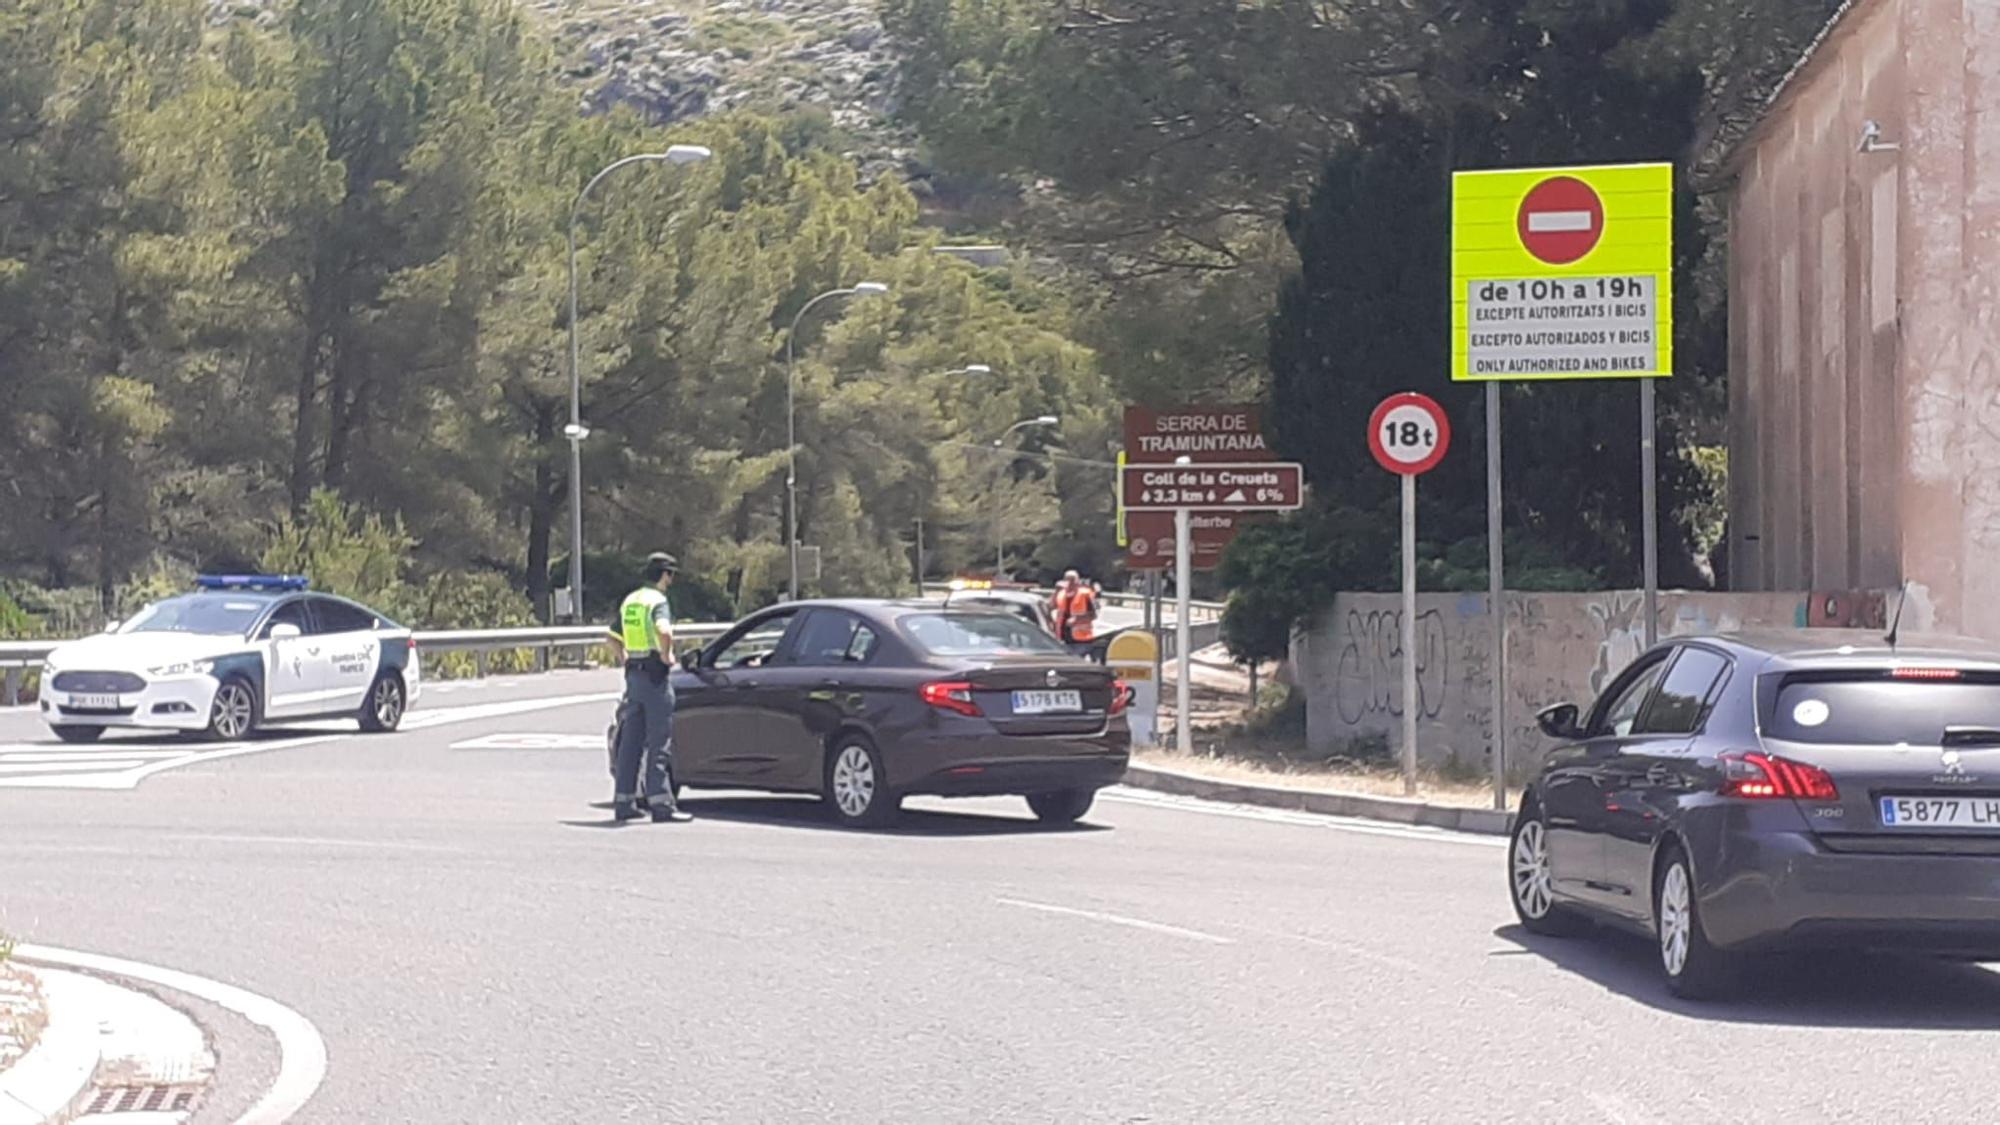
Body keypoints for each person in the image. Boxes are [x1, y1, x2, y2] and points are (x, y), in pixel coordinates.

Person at [610, 552, 690, 824]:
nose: (671, 580)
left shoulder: (631, 600)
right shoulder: (658, 601)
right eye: (671, 575)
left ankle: (623, 802)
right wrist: (667, 655)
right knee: (659, 742)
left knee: (630, 742)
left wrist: (626, 660)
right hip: (655, 678)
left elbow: (611, 638)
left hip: (634, 676)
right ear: (665, 575)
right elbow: (664, 631)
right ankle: (662, 804)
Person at [1053, 568, 1099, 659]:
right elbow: (1052, 607)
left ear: (1078, 581)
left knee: (1075, 662)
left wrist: (1077, 619)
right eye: (1067, 579)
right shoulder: (1061, 594)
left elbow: (1094, 614)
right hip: (1063, 639)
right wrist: (1055, 592)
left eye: (1072, 580)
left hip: (1081, 640)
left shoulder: (1085, 594)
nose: (1070, 582)